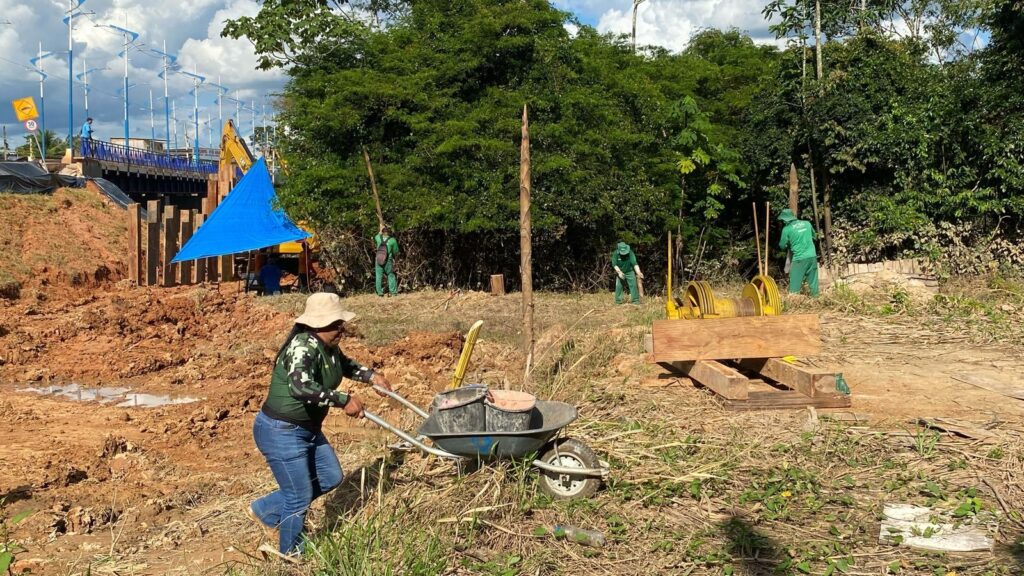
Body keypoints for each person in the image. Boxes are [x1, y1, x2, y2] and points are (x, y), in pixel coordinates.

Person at [247, 292, 393, 562]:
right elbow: (300, 386)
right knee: (298, 496)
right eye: (336, 324)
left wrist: (371, 376)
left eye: (341, 323)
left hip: (308, 429)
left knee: (330, 477)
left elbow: (345, 364)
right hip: (281, 430)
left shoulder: (328, 346)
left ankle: (266, 509)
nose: (341, 329)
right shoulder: (302, 346)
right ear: (316, 325)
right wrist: (343, 399)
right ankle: (290, 554)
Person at [777, 208, 819, 296]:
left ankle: (793, 303)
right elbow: (815, 236)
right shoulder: (807, 223)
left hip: (799, 259)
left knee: (794, 284)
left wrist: (789, 245)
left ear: (785, 220)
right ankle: (817, 299)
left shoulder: (787, 229)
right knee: (813, 283)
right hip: (812, 256)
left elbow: (782, 245)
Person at [373, 226, 399, 297]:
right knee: (391, 275)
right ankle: (393, 292)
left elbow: (377, 235)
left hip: (378, 260)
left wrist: (381, 227)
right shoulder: (392, 240)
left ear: (382, 232)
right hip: (388, 260)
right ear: (389, 233)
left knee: (378, 276)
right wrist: (395, 262)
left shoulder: (378, 238)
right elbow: (395, 252)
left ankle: (380, 293)